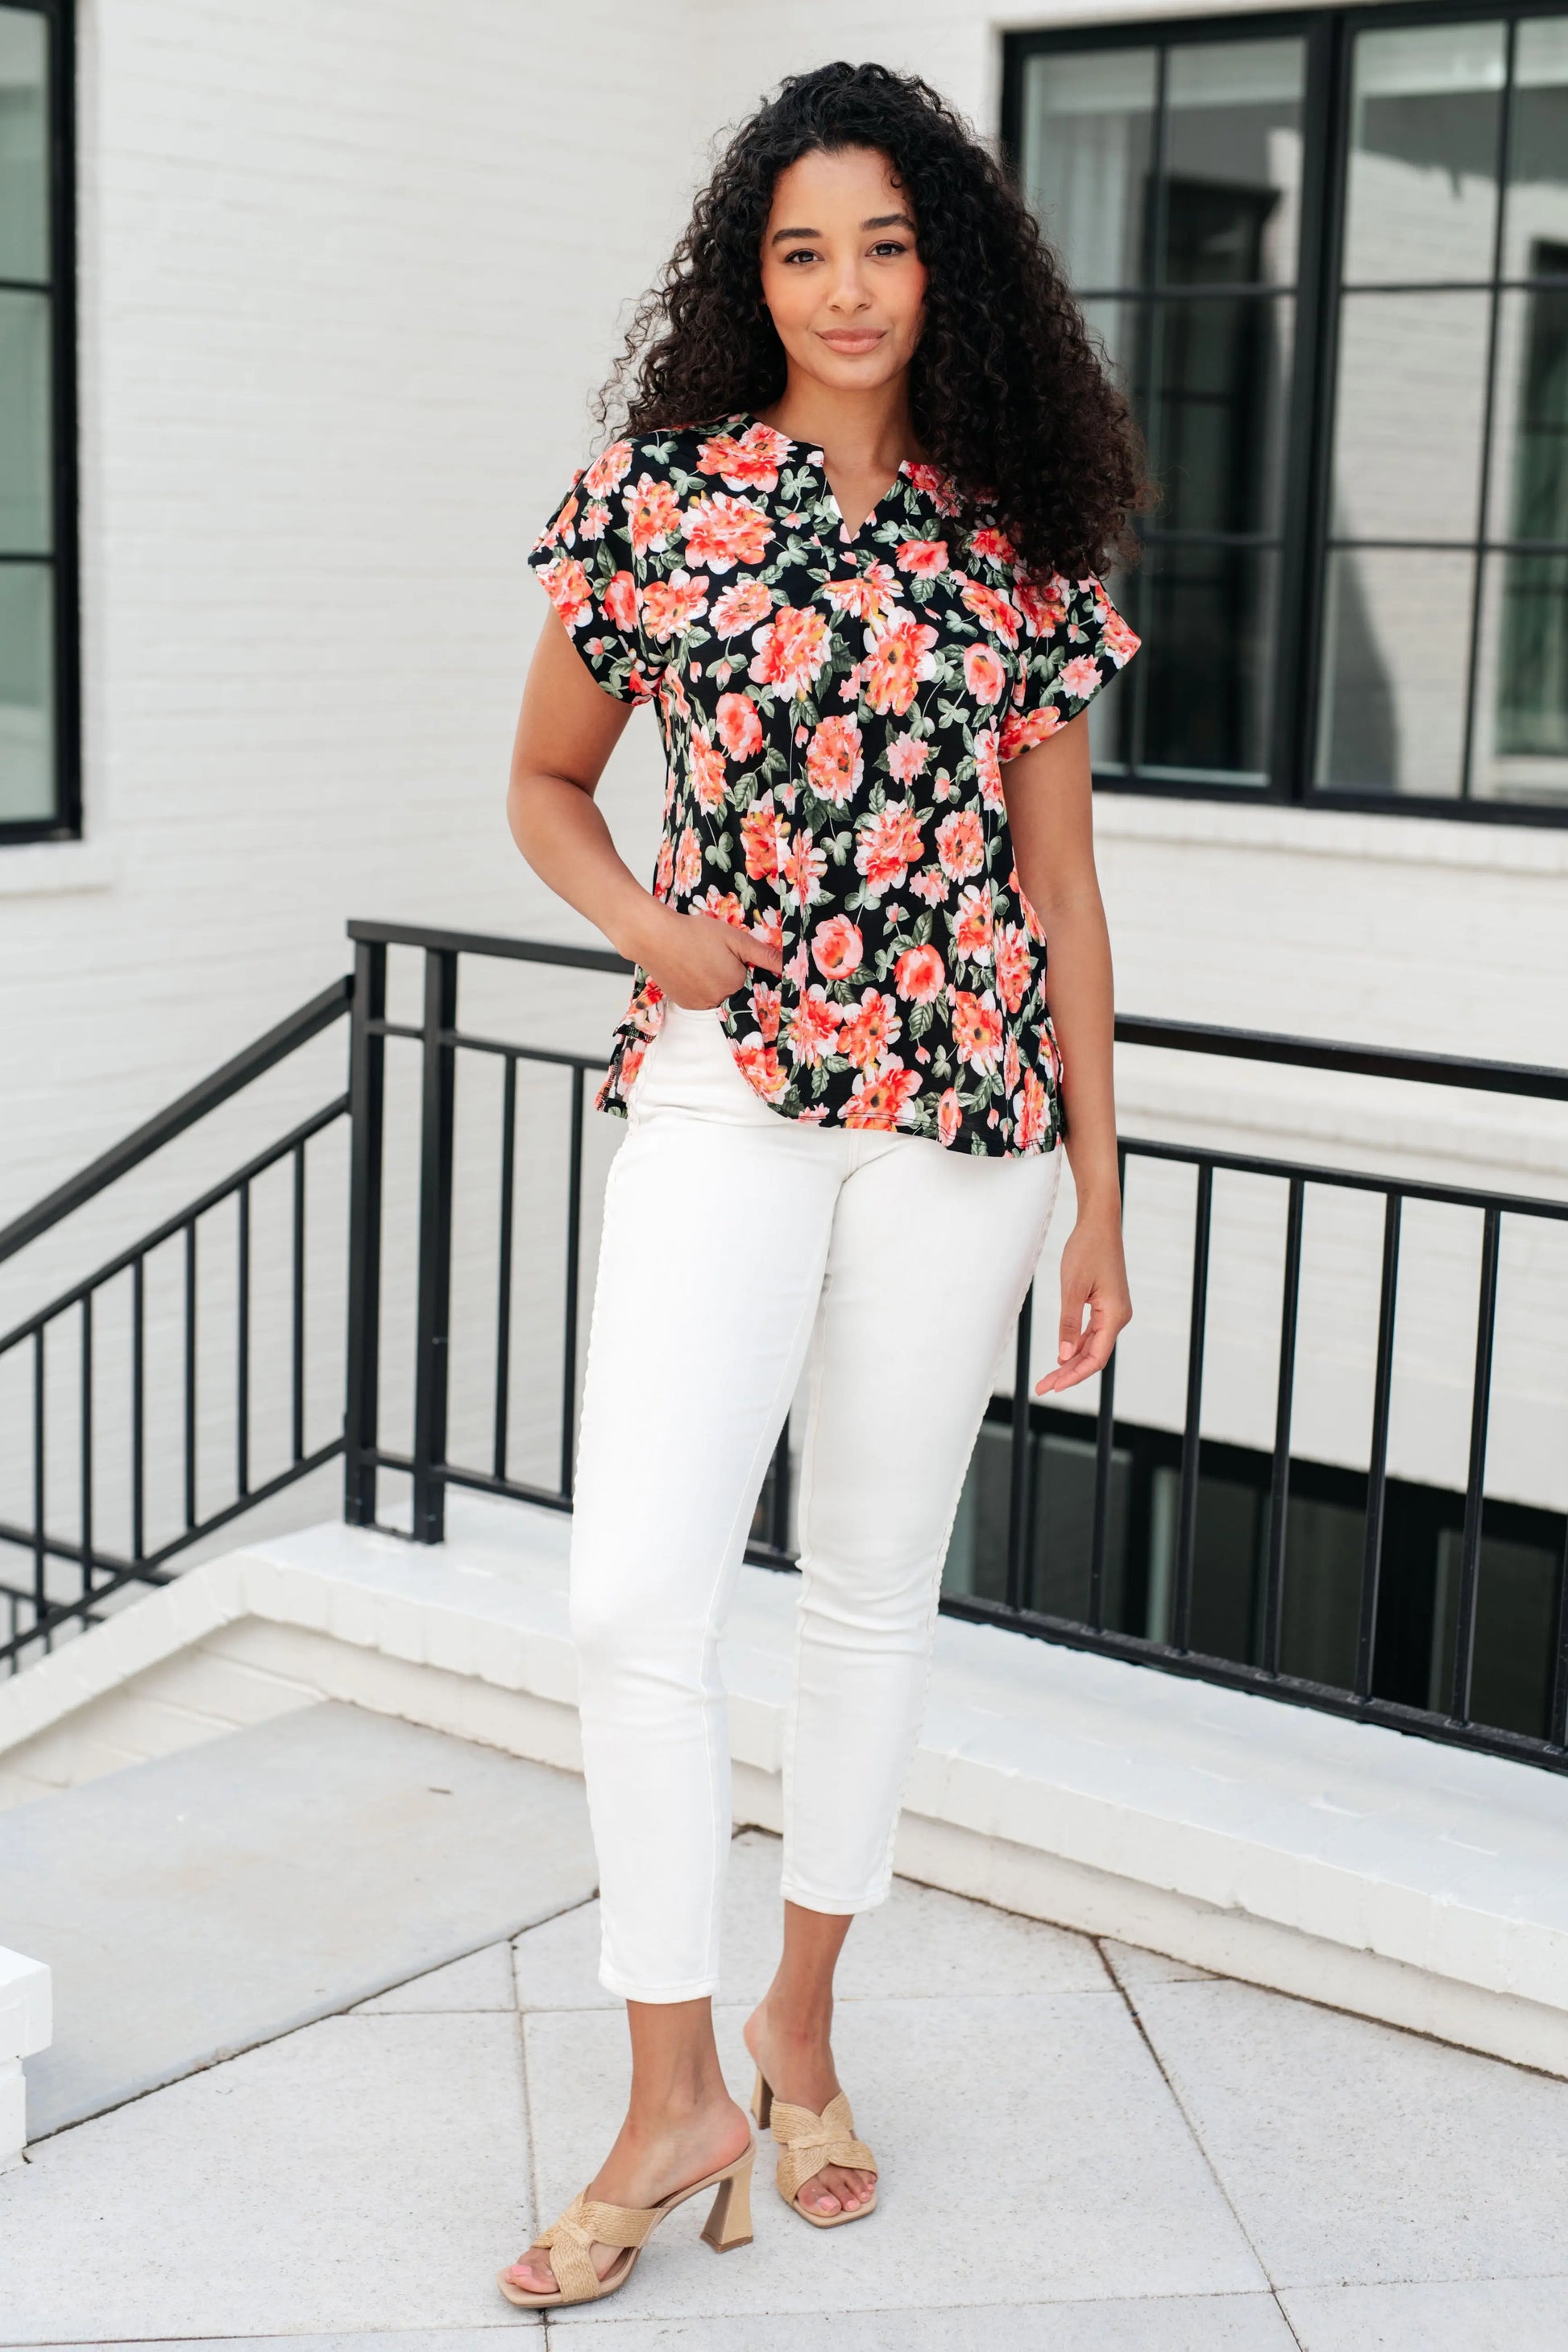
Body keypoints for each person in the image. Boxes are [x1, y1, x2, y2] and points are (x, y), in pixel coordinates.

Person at [497, 58, 1147, 2312]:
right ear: (746, 276)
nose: (846, 286)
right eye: (800, 248)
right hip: (723, 1086)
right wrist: (657, 934)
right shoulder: (655, 504)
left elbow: (1059, 893)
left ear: (940, 261)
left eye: (882, 242)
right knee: (627, 1604)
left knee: (867, 1598)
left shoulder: (1020, 532)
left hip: (964, 1124)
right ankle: (672, 2080)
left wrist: (1101, 1189)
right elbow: (549, 787)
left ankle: (798, 2030)